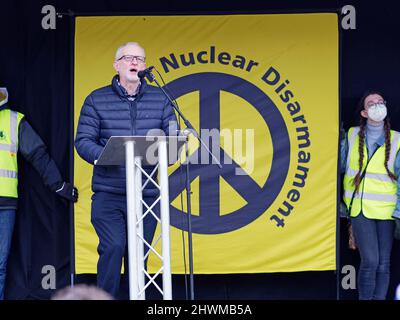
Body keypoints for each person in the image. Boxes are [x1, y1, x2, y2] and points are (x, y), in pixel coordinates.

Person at [75, 42, 178, 298]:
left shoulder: (162, 98)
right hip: (109, 194)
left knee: (138, 255)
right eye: (129, 58)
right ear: (116, 64)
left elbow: (172, 141)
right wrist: (110, 154)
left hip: (147, 195)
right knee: (113, 248)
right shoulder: (96, 99)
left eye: (140, 59)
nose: (135, 63)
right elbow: (83, 141)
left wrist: (172, 148)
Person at [0, 87, 78, 300]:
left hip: (4, 204)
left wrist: (57, 184)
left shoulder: (13, 120)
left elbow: (38, 155)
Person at [341, 91, 400, 300]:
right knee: (371, 261)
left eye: (380, 101)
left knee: (384, 264)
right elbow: (340, 166)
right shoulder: (351, 134)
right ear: (364, 112)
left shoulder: (397, 139)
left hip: (387, 211)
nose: (377, 105)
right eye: (371, 103)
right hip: (360, 208)